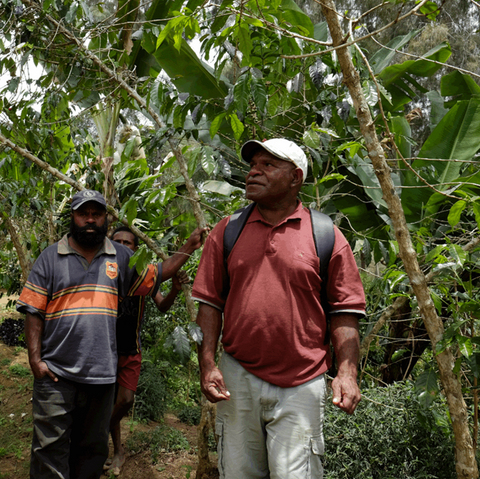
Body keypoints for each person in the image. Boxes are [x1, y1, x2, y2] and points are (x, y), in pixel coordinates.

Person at [192, 138, 366, 478]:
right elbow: (210, 303)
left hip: (302, 381)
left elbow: (345, 310)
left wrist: (347, 373)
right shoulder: (227, 231)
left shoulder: (325, 234)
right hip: (238, 377)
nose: (253, 172)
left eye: (268, 166)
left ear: (295, 178)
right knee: (238, 472)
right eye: (253, 165)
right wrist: (208, 364)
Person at [17, 189, 206, 479]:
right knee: (49, 453)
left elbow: (158, 272)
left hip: (102, 377)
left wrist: (190, 247)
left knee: (91, 452)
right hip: (56, 374)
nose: (90, 220)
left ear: (106, 217)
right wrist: (35, 360)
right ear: (73, 217)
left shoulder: (122, 256)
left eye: (97, 214)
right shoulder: (50, 257)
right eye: (84, 214)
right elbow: (33, 310)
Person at [103, 226, 190, 476]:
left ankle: (102, 441)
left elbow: (162, 305)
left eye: (127, 242)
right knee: (108, 401)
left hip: (131, 349)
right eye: (116, 241)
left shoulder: (144, 275)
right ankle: (115, 449)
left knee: (124, 401)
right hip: (105, 350)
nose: (121, 245)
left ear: (135, 248)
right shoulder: (103, 273)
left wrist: (174, 288)